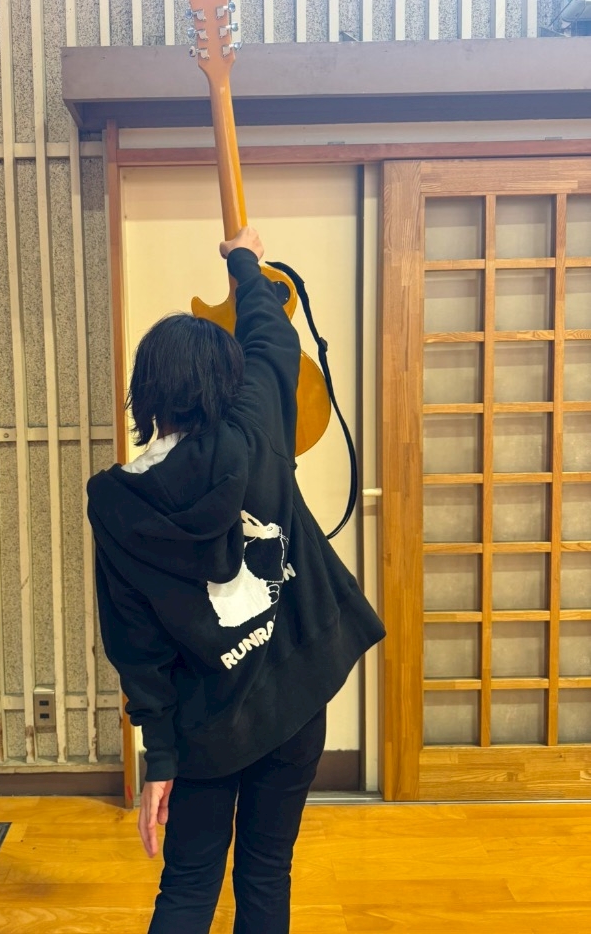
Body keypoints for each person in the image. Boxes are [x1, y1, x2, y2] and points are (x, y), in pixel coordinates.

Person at [87, 226, 385, 934]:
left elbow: (136, 647)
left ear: (144, 393)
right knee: (266, 871)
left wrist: (159, 757)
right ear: (227, 384)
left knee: (189, 885)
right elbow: (271, 338)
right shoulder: (256, 432)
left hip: (204, 730)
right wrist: (244, 261)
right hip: (295, 701)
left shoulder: (119, 503)